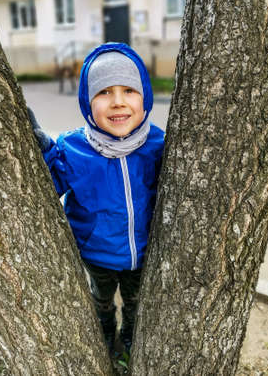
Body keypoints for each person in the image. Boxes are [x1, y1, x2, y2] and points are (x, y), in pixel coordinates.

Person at [27, 42, 164, 355]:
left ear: (145, 96)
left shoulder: (157, 144)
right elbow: (48, 186)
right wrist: (42, 150)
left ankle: (129, 334)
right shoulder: (73, 149)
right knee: (100, 300)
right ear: (87, 103)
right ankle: (105, 331)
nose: (117, 102)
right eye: (103, 93)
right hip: (96, 253)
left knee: (136, 301)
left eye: (129, 90)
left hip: (143, 254)